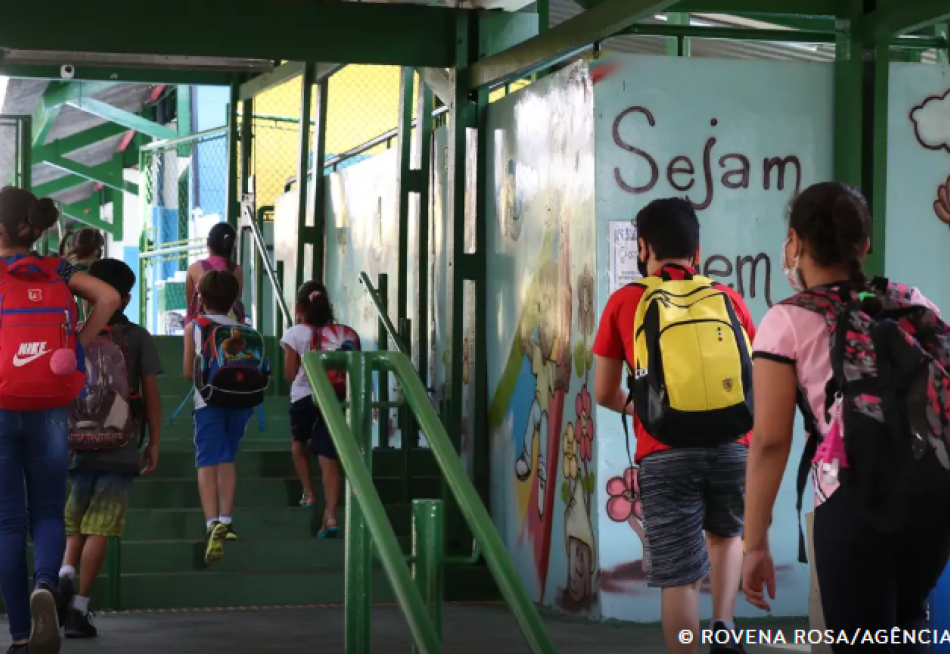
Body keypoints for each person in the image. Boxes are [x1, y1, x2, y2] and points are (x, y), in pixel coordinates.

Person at [743, 182, 950, 650]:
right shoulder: (912, 303)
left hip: (850, 501)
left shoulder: (787, 320)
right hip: (931, 503)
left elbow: (771, 441)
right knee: (907, 628)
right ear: (865, 244)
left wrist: (754, 544)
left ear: (794, 243)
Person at [592, 197, 756, 654]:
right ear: (697, 252)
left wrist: (649, 410)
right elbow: (752, 380)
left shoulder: (626, 302)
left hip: (665, 453)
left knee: (681, 578)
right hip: (732, 446)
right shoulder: (729, 300)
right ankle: (724, 627)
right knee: (727, 537)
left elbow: (605, 392)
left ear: (641, 248)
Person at [0, 187, 120, 654]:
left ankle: (21, 636)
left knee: (7, 523)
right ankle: (46, 585)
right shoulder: (58, 269)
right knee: (48, 511)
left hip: (1, 404)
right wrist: (77, 343)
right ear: (36, 230)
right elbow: (108, 297)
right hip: (49, 405)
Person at [58, 258, 163, 639]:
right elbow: (150, 394)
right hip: (119, 447)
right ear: (128, 298)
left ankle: (63, 576)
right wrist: (153, 440)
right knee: (100, 528)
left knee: (76, 524)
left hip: (75, 444)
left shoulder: (70, 333)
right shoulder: (136, 338)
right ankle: (79, 612)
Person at [183, 270, 254, 564]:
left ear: (200, 297)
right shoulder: (243, 328)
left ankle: (212, 522)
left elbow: (189, 372)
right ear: (234, 299)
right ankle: (227, 518)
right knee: (227, 456)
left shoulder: (195, 328)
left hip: (208, 401)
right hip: (241, 401)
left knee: (206, 459)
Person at [279, 282, 360, 538]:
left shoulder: (295, 333)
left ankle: (309, 493)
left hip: (303, 398)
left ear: (299, 307)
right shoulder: (337, 333)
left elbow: (290, 375)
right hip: (333, 398)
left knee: (298, 443)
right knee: (328, 456)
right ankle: (331, 515)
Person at [184, 222, 244, 326]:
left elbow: (190, 305)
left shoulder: (194, 269)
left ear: (208, 243)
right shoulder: (237, 271)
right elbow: (236, 299)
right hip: (230, 326)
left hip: (201, 327)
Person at [59, 228, 105, 324]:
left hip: (71, 331)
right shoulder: (103, 272)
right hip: (97, 331)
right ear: (96, 251)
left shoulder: (64, 273)